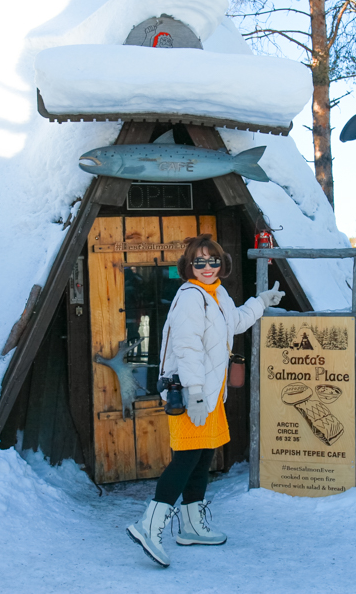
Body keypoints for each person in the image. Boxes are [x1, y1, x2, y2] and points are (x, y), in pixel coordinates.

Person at [126, 234, 284, 568]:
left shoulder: (218, 294)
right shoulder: (190, 297)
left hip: (211, 394)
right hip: (191, 393)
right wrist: (195, 392)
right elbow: (187, 348)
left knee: (201, 459)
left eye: (213, 260)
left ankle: (193, 526)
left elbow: (237, 322)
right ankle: (149, 526)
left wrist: (262, 301)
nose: (208, 267)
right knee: (185, 459)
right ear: (189, 265)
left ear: (221, 263)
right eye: (199, 262)